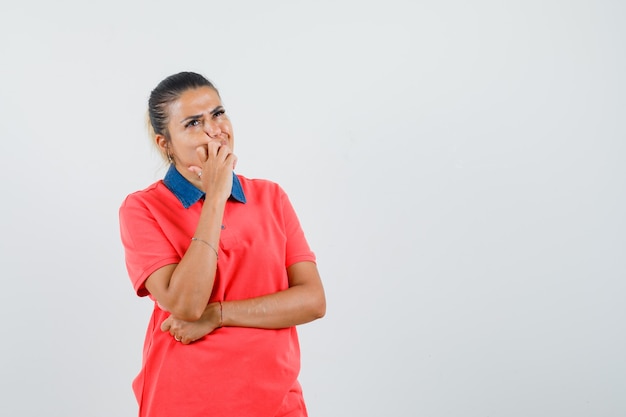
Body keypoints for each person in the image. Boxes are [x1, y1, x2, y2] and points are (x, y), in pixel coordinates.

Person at [119, 71, 326, 417]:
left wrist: (219, 314)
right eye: (193, 123)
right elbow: (186, 304)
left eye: (217, 113)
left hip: (276, 401)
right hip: (185, 400)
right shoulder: (142, 208)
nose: (214, 129)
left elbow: (312, 301)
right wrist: (215, 194)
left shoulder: (270, 197)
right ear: (164, 143)